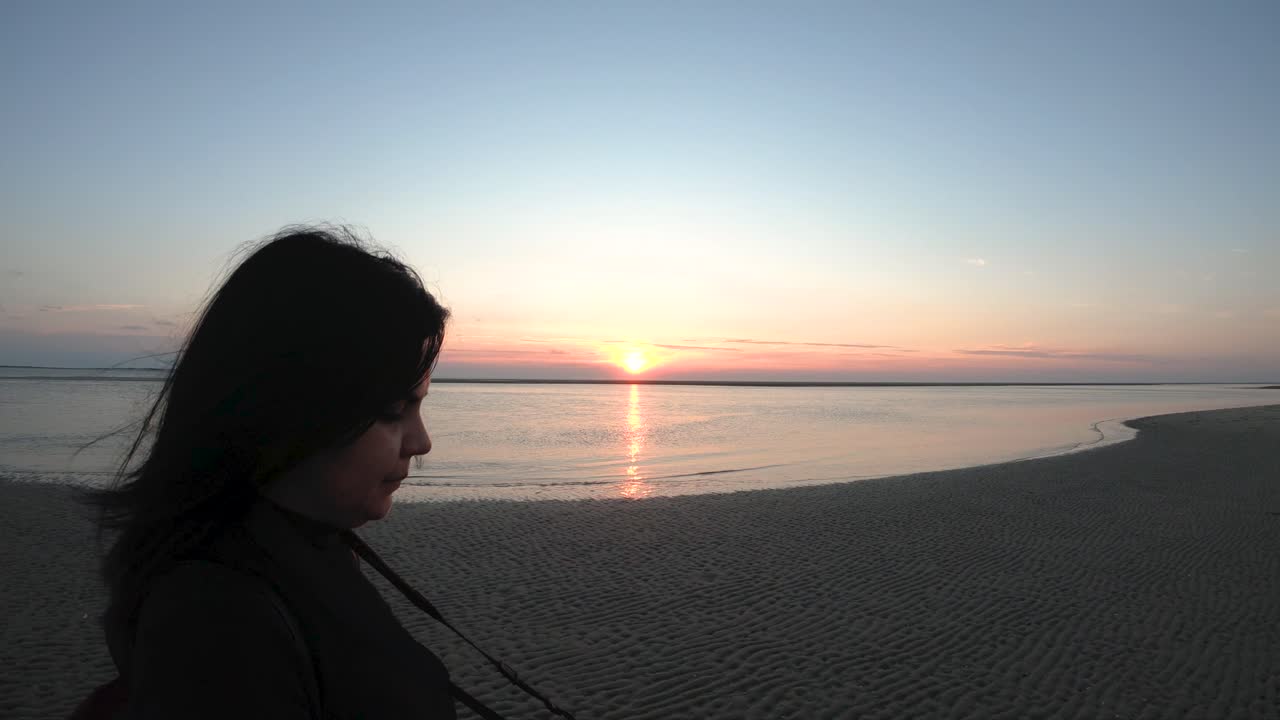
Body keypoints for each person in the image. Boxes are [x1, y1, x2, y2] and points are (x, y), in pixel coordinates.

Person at [83, 225, 456, 718]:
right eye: (392, 410)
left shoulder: (308, 544)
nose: (421, 442)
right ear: (287, 409)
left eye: (419, 407)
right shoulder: (215, 617)